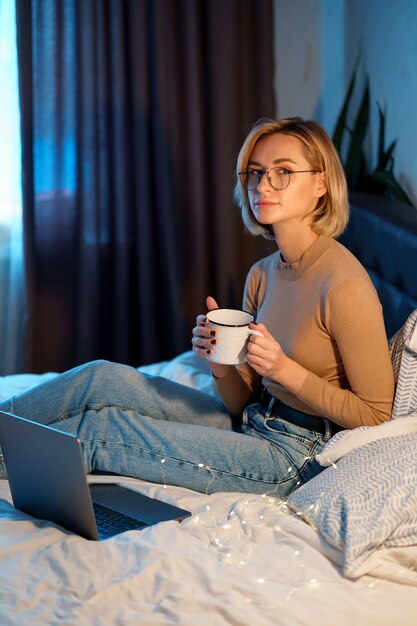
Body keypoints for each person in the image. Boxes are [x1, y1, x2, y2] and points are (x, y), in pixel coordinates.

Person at [0, 117, 395, 498]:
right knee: (99, 378)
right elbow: (244, 403)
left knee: (101, 430)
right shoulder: (262, 274)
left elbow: (377, 415)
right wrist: (220, 364)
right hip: (254, 420)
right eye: (255, 172)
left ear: (321, 184)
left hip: (294, 455)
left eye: (283, 171)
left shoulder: (344, 285)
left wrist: (284, 370)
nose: (263, 185)